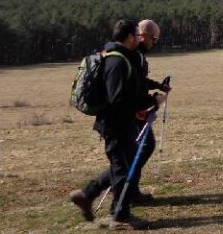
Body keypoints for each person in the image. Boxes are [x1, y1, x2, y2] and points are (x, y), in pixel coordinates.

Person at [69, 19, 166, 230]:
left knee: (123, 165)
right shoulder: (117, 61)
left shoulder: (125, 58)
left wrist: (154, 91)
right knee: (123, 168)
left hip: (122, 122)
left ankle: (86, 194)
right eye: (137, 35)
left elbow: (132, 88)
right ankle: (119, 217)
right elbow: (119, 99)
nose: (141, 38)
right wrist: (152, 101)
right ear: (132, 36)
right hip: (115, 124)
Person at [128, 19, 172, 203]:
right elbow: (134, 86)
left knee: (138, 148)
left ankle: (127, 188)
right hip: (130, 112)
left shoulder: (135, 54)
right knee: (141, 148)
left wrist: (158, 86)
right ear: (144, 35)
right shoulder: (135, 55)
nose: (154, 43)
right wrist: (152, 100)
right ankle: (126, 189)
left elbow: (141, 80)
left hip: (133, 110)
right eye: (154, 39)